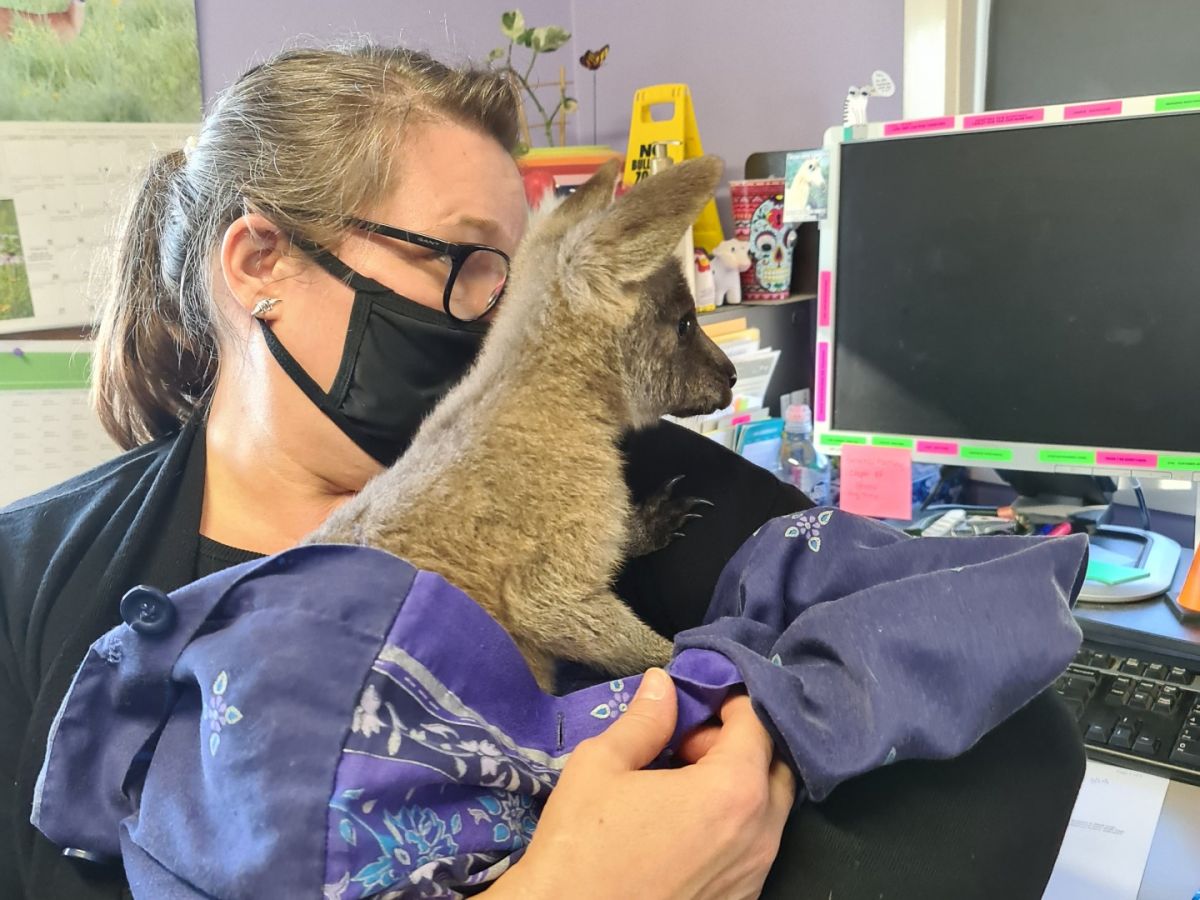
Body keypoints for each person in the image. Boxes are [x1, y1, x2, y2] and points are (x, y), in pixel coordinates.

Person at [0, 45, 1083, 900]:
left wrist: (764, 758)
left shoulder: (631, 473)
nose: (505, 318)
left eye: (517, 275)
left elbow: (1014, 730)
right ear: (262, 264)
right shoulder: (35, 580)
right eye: (467, 264)